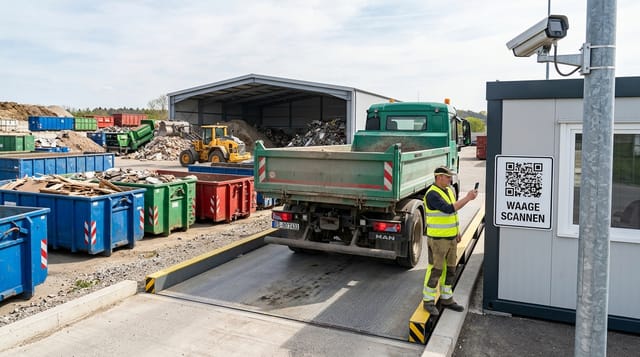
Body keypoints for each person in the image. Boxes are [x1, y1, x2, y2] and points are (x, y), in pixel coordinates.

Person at [422, 166, 478, 316]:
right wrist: (468, 198)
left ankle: (447, 298)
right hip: (438, 239)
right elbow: (448, 209)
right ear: (439, 177)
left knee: (451, 269)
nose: (450, 179)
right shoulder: (432, 194)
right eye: (447, 177)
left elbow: (451, 216)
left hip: (451, 237)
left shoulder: (448, 191)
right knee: (436, 270)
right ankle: (428, 301)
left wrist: (456, 231)